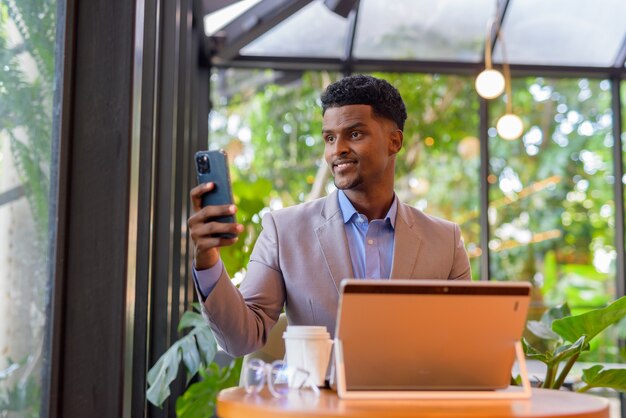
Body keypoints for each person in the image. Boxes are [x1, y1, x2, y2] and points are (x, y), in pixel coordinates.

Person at [187, 74, 471, 357]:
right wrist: (207, 259)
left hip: (410, 401)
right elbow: (241, 339)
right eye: (330, 138)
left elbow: (464, 343)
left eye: (355, 134)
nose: (337, 150)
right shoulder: (283, 231)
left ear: (394, 142)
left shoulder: (446, 240)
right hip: (318, 401)